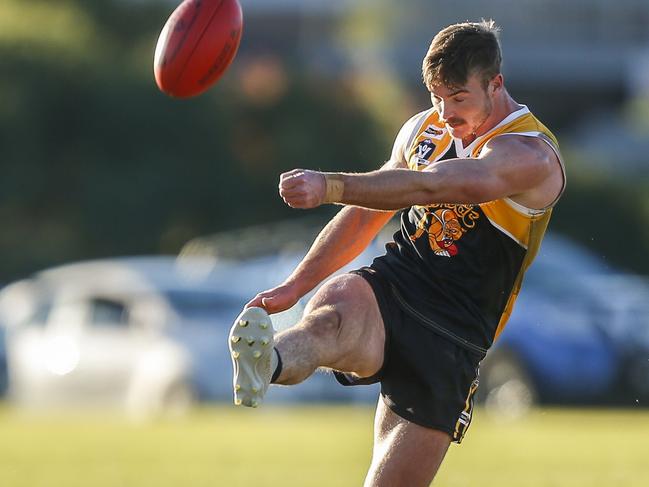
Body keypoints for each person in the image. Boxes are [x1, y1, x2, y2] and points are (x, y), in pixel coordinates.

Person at [228, 20, 565, 486]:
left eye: (459, 98)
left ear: (495, 84)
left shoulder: (530, 153)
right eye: (435, 97)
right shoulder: (422, 129)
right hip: (396, 284)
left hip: (455, 333)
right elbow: (368, 212)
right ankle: (269, 359)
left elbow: (432, 186)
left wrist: (330, 185)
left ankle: (278, 359)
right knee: (331, 312)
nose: (444, 114)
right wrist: (294, 285)